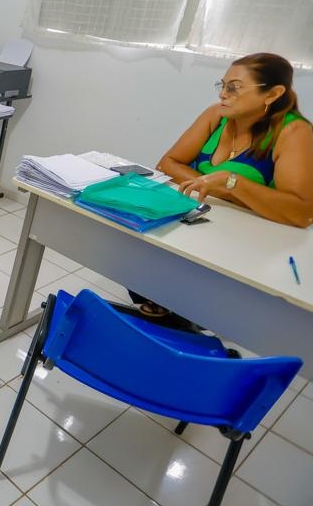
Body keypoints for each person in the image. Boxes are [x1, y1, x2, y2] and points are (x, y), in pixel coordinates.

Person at [129, 53, 313, 319]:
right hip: (200, 223)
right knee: (137, 250)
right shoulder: (217, 115)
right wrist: (221, 189)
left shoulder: (294, 132)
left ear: (272, 94)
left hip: (248, 243)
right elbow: (167, 163)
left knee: (182, 286)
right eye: (223, 85)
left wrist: (232, 182)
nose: (223, 94)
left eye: (234, 87)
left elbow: (301, 213)